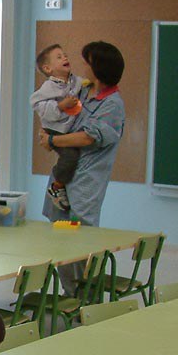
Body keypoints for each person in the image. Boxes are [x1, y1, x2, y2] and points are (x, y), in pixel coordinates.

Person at [38, 40, 125, 294]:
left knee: (83, 240)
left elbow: (88, 137)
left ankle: (87, 298)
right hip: (64, 176)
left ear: (98, 69)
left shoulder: (112, 104)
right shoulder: (83, 91)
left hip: (85, 182)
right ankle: (70, 295)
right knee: (61, 236)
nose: (83, 66)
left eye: (88, 62)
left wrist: (52, 141)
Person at [31, 44, 90, 212]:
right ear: (47, 68)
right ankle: (57, 186)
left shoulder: (74, 80)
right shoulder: (48, 87)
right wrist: (61, 105)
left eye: (65, 55)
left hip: (68, 128)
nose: (65, 58)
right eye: (59, 57)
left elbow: (84, 84)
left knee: (75, 154)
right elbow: (37, 105)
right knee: (70, 155)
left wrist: (89, 83)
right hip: (54, 130)